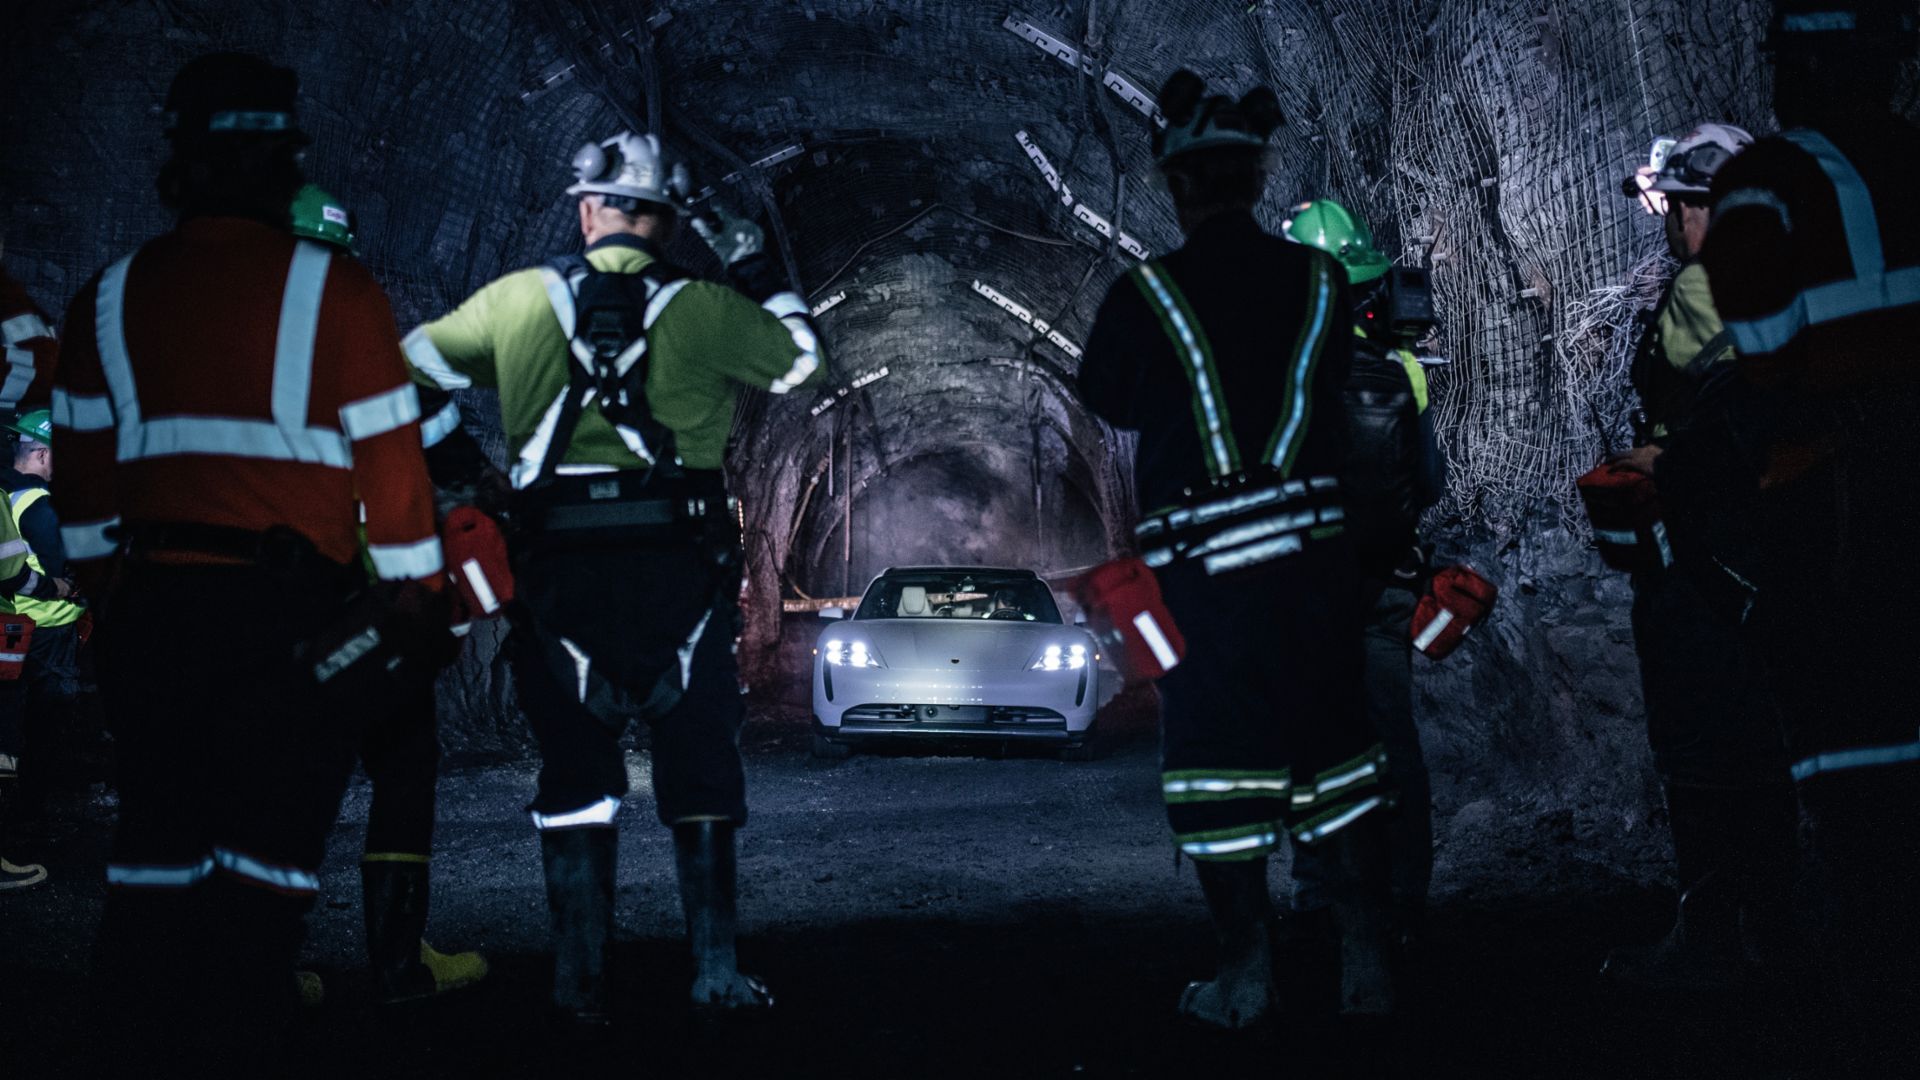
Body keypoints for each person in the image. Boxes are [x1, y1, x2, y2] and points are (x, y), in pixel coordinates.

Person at [50, 53, 448, 1058]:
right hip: (291, 622)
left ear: (177, 161)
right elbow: (396, 483)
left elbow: (83, 493)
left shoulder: (107, 298)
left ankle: (132, 1044)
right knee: (265, 873)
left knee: (154, 857)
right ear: (285, 161)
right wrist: (412, 604)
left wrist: (115, 596)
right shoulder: (340, 292)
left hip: (152, 616)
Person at [402, 129, 825, 1027]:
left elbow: (404, 373)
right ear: (665, 223)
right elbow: (802, 361)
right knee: (699, 762)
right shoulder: (705, 307)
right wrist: (752, 263)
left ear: (588, 211)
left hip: (556, 575)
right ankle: (714, 973)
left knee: (574, 771)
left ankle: (578, 985)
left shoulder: (516, 300)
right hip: (679, 576)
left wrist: (469, 472)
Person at [1078, 70, 1393, 1028]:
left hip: (1204, 577)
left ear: (1177, 184)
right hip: (1315, 567)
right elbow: (1334, 381)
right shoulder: (1323, 282)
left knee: (1218, 760)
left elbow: (1108, 398)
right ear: (1258, 178)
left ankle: (1245, 979)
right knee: (1335, 748)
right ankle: (1368, 969)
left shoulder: (1145, 296)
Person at [1667, 0, 1920, 1055]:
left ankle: (1875, 996)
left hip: (1841, 510)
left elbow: (1762, 353)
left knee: (1854, 756)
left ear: (1795, 68)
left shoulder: (1767, 183)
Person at [1591, 123, 1800, 990]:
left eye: (1680, 206)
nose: (1673, 223)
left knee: (1702, 738)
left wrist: (1662, 464)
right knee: (1762, 735)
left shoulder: (1702, 291)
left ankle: (1713, 936)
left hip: (1701, 552)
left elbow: (1710, 403)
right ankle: (1775, 929)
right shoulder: (1796, 282)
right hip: (1767, 547)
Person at [287, 183, 489, 1004]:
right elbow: (465, 473)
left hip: (288, 605)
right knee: (403, 768)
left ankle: (267, 960)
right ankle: (399, 964)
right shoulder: (384, 361)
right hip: (384, 610)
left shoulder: (238, 364)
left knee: (288, 778)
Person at [1279, 198, 1445, 953]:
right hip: (1385, 583)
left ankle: (1317, 892)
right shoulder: (1403, 366)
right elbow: (1430, 482)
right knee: (1393, 741)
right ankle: (1404, 896)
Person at [0, 412, 88, 835]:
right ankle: (31, 812)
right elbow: (60, 568)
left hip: (13, 621)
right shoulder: (40, 505)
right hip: (48, 627)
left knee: (12, 711)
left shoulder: (6, 493)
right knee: (46, 718)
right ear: (41, 454)